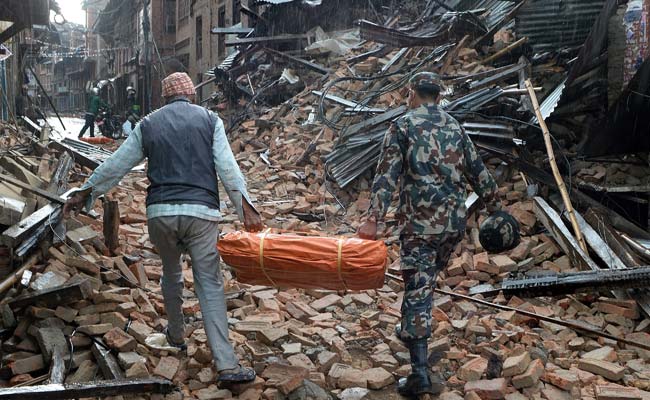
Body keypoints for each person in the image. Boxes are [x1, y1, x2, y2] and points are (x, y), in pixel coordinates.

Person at [64, 72, 262, 383]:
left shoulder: (148, 123)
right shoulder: (210, 120)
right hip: (201, 214)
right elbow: (227, 168)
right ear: (191, 95)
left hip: (160, 214)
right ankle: (226, 366)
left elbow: (118, 164)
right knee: (208, 284)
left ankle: (175, 337)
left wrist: (85, 192)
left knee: (171, 275)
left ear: (165, 97)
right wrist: (246, 209)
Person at [358, 72, 501, 398]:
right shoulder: (454, 126)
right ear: (438, 95)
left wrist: (372, 219)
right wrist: (497, 209)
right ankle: (412, 327)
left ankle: (420, 375)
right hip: (452, 226)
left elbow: (386, 176)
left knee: (418, 292)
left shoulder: (403, 126)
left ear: (413, 93)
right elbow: (478, 171)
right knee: (422, 284)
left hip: (420, 227)